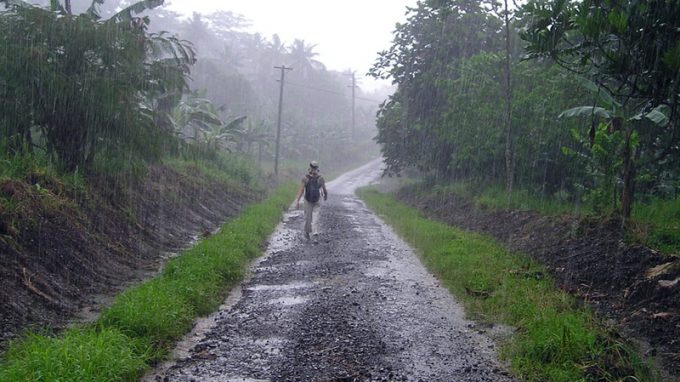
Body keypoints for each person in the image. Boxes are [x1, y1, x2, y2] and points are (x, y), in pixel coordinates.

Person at [296, 161, 328, 240]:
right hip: (314, 200)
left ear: (310, 167)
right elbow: (324, 189)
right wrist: (325, 196)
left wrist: (298, 200)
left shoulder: (305, 178)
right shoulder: (320, 178)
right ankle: (312, 234)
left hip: (309, 200)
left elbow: (301, 190)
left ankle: (311, 233)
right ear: (317, 168)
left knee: (309, 218)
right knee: (314, 218)